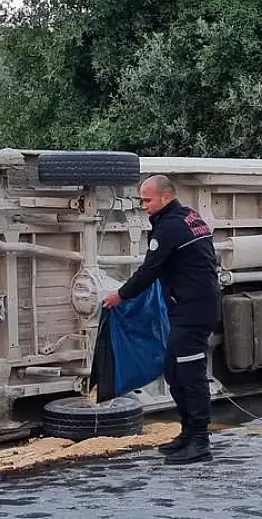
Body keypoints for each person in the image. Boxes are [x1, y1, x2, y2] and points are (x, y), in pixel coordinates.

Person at [103, 175, 221, 465]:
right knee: (173, 369)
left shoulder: (170, 226)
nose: (143, 206)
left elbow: (149, 270)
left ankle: (200, 440)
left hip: (195, 309)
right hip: (189, 305)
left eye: (147, 200)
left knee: (190, 373)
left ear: (165, 198)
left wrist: (120, 295)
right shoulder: (189, 216)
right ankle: (188, 432)